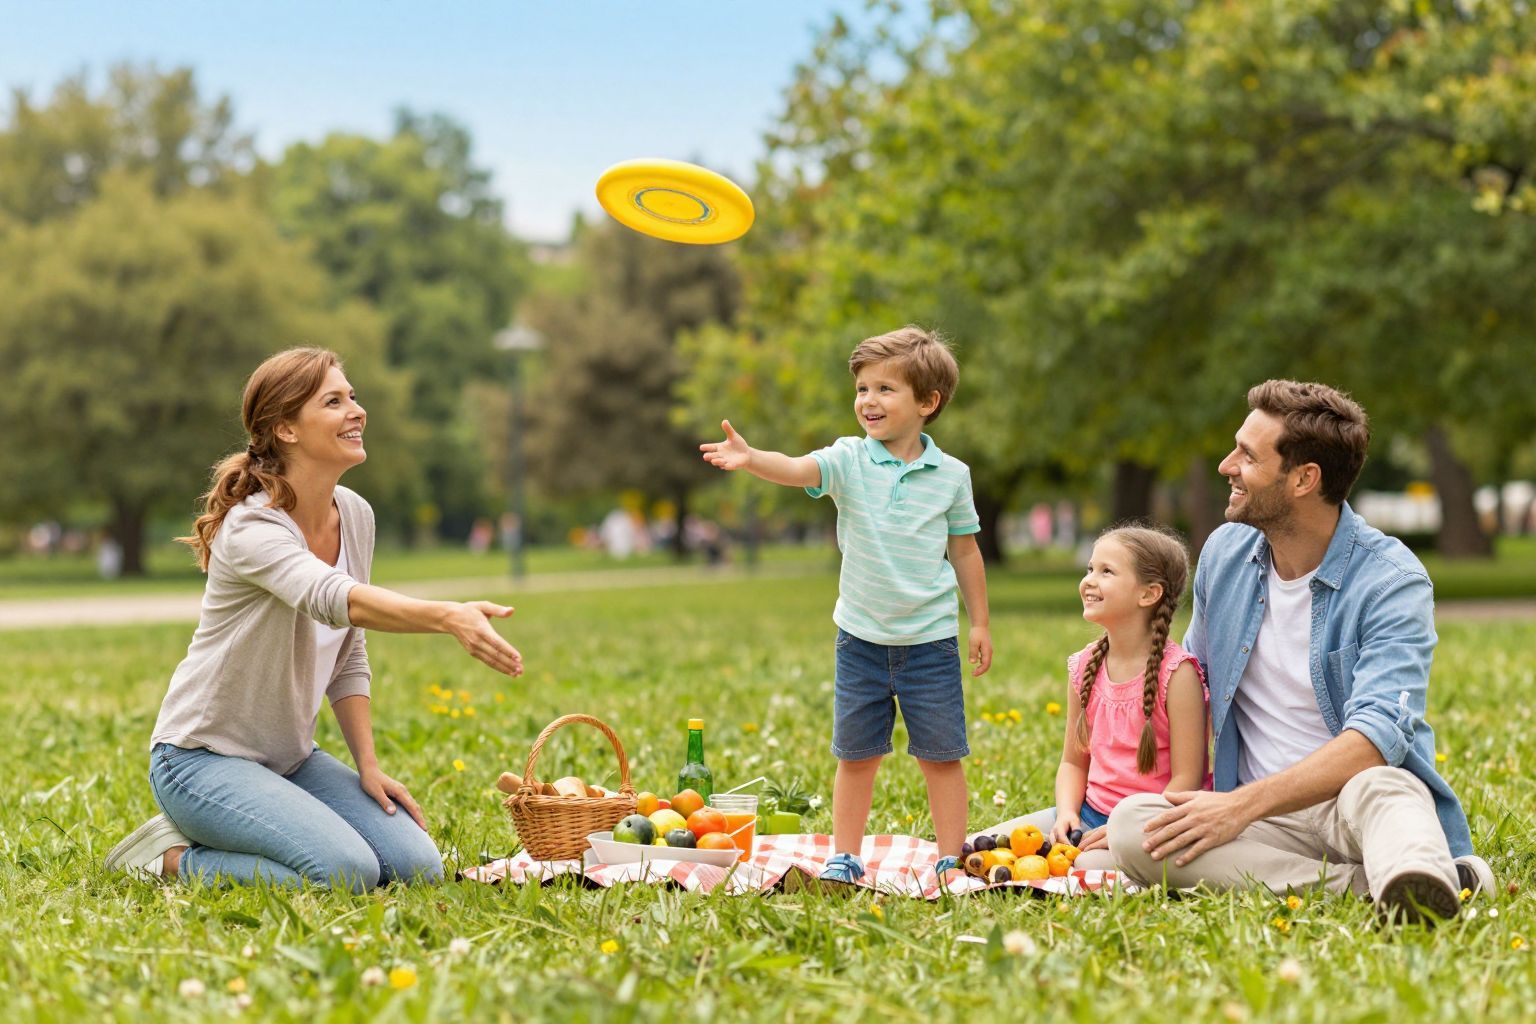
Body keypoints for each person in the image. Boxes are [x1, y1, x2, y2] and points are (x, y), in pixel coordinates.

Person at [104, 347, 525, 890]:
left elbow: (349, 651)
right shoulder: (252, 527)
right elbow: (333, 597)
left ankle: (256, 820)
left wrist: (367, 765)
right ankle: (167, 858)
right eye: (334, 401)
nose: (357, 410)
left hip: (290, 759)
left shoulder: (354, 514)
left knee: (418, 868)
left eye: (353, 397)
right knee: (345, 872)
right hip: (199, 762)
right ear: (286, 429)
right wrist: (447, 615)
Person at [1106, 380, 1492, 923]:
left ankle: (1413, 870)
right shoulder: (1225, 554)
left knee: (1387, 784)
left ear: (1304, 479)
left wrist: (1241, 806)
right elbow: (1185, 684)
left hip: (1350, 804)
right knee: (1131, 828)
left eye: (1247, 455)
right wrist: (1084, 807)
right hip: (1260, 821)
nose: (1225, 466)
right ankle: (1387, 887)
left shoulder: (1392, 580)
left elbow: (1377, 736)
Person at [700, 325, 992, 885]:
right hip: (859, 639)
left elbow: (965, 550)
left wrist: (978, 621)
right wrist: (752, 457)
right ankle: (846, 854)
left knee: (941, 754)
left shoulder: (953, 475)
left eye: (885, 389)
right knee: (856, 755)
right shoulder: (848, 460)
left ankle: (951, 856)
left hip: (930, 641)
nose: (868, 401)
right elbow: (795, 468)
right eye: (861, 388)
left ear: (928, 402)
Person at [981, 525, 1207, 870]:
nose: (1089, 580)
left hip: (1151, 825)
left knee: (1085, 865)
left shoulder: (1178, 675)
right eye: (1090, 569)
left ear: (1148, 594)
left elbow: (1187, 780)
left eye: (1106, 571)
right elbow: (1073, 762)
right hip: (1087, 815)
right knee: (984, 848)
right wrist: (1068, 814)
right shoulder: (1085, 665)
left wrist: (1123, 829)